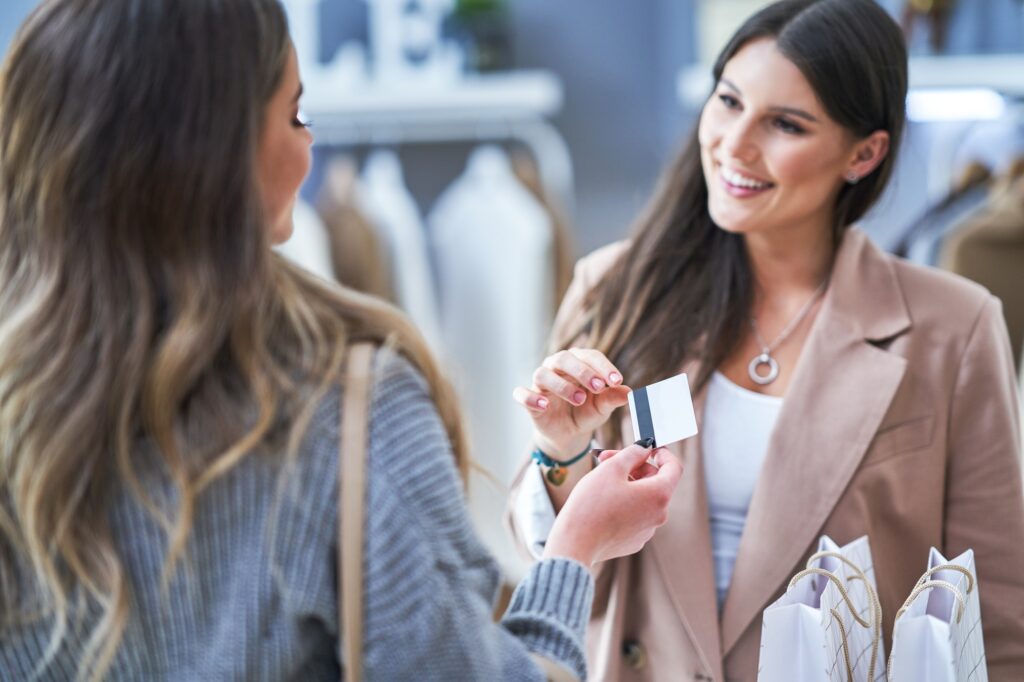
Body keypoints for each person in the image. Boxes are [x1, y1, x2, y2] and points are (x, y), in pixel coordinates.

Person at [0, 1, 682, 680]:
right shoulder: (348, 411)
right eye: (295, 115)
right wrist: (575, 550)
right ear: (219, 154)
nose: (309, 144)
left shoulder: (21, 407)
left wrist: (560, 463)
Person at [508, 0, 1024, 679]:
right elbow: (570, 577)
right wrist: (561, 453)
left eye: (785, 123)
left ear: (864, 153)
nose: (736, 143)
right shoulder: (617, 289)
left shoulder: (951, 329)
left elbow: (997, 619)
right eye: (728, 101)